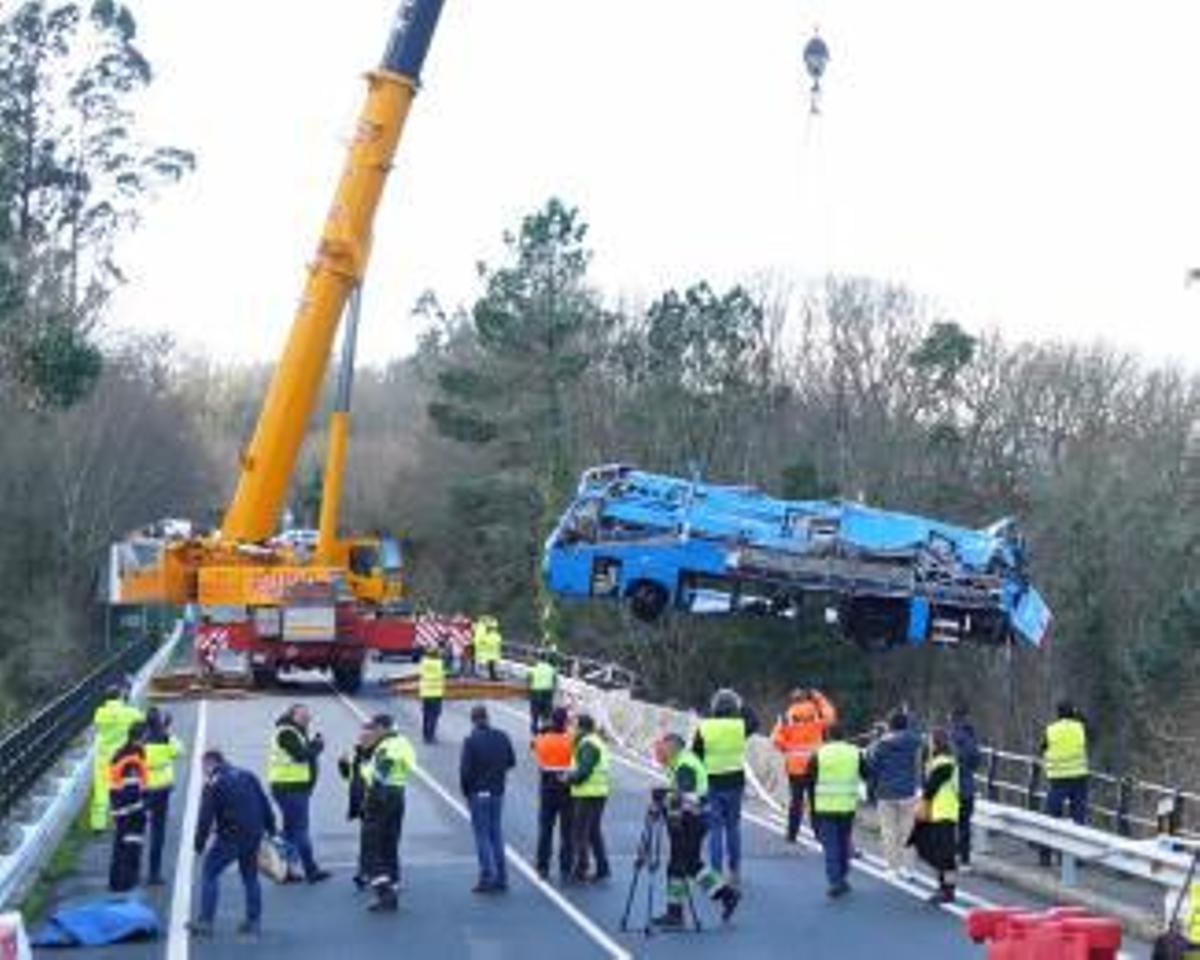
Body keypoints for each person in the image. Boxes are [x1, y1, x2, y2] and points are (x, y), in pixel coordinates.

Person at [653, 733, 742, 929]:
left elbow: (687, 796)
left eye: (664, 747)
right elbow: (681, 795)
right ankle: (727, 894)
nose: (660, 752)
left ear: (674, 747)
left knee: (677, 865)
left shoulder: (685, 765)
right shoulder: (679, 762)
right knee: (691, 863)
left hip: (693, 820)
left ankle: (675, 914)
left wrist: (664, 798)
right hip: (695, 818)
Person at [188, 750, 277, 938]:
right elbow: (264, 802)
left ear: (209, 763)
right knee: (250, 876)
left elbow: (205, 817)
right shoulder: (247, 775)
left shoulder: (213, 782)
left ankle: (206, 922)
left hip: (231, 835)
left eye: (203, 767)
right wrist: (271, 829)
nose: (203, 771)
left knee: (210, 872)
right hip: (253, 833)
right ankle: (253, 921)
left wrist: (199, 844)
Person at [692, 688, 758, 887]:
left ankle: (716, 872)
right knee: (733, 827)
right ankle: (735, 870)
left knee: (715, 829)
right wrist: (742, 702)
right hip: (735, 781)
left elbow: (696, 756)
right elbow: (755, 721)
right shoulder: (739, 727)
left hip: (711, 782)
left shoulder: (704, 728)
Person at [267, 704, 330, 884]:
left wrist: (313, 743)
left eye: (308, 715)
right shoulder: (286, 733)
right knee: (300, 830)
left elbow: (301, 752)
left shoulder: (296, 731)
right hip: (290, 788)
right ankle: (311, 870)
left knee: (290, 831)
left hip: (295, 788)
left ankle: (284, 870)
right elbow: (301, 755)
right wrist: (318, 745)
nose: (307, 718)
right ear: (292, 715)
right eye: (303, 715)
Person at [361, 713, 416, 911]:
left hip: (382, 796)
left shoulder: (387, 746)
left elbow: (382, 771)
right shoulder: (403, 742)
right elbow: (409, 765)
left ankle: (384, 892)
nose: (373, 732)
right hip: (398, 794)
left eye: (375, 728)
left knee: (371, 848)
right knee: (390, 842)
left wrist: (373, 790)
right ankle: (393, 881)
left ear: (383, 728)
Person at [460, 705, 516, 893]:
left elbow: (465, 772)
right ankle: (501, 876)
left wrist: (467, 792)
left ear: (473, 720)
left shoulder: (471, 741)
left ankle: (487, 876)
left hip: (478, 793)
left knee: (482, 835)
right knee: (496, 834)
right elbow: (510, 762)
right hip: (497, 791)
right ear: (487, 717)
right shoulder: (502, 736)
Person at [771, 687, 837, 843]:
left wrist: (788, 748)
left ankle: (792, 834)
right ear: (808, 699)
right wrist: (820, 698)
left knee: (796, 801)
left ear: (792, 700)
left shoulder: (787, 717)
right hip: (814, 764)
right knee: (815, 800)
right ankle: (819, 834)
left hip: (795, 766)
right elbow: (831, 717)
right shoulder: (816, 713)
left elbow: (775, 740)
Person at [810, 723, 868, 898]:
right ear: (843, 735)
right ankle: (843, 877)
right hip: (847, 806)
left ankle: (835, 881)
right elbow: (867, 773)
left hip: (825, 806)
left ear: (827, 737)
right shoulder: (855, 752)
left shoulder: (819, 754)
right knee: (843, 842)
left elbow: (810, 779)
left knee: (831, 846)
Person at [865, 709, 923, 881]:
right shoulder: (915, 741)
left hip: (886, 792)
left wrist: (871, 789)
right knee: (908, 831)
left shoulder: (882, 744)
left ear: (890, 726)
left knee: (889, 831)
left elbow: (873, 767)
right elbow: (919, 761)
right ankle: (909, 868)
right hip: (908, 791)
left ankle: (892, 868)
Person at [910, 727, 960, 904]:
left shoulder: (944, 763)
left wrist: (921, 804)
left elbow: (931, 787)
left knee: (944, 854)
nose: (928, 745)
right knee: (938, 851)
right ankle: (945, 887)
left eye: (930, 742)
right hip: (939, 811)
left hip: (944, 812)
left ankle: (947, 889)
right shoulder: (940, 761)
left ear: (935, 743)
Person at [91, 683, 144, 831]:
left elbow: (97, 727)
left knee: (101, 790)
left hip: (103, 756)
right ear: (120, 696)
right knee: (122, 787)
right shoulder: (129, 712)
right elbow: (140, 720)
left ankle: (98, 825)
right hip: (122, 756)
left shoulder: (100, 713)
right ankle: (123, 819)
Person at [567, 713, 611, 884]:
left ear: (581, 728)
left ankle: (581, 868)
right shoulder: (596, 741)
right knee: (593, 832)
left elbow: (584, 770)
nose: (573, 730)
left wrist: (569, 778)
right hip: (599, 791)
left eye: (575, 726)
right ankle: (602, 867)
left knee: (579, 832)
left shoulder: (588, 744)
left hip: (587, 793)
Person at [143, 707, 184, 886]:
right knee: (157, 832)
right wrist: (168, 731)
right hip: (162, 789)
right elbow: (180, 751)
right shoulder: (166, 739)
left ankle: (130, 871)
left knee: (135, 830)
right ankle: (154, 873)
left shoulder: (141, 739)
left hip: (143, 789)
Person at [532, 706, 574, 880]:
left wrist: (544, 731)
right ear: (565, 722)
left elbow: (533, 745)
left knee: (545, 829)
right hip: (567, 788)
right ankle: (566, 867)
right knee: (567, 831)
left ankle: (543, 866)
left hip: (547, 787)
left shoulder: (542, 740)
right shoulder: (571, 740)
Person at [108, 721, 148, 892]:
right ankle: (126, 882)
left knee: (120, 845)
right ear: (139, 738)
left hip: (119, 808)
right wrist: (140, 809)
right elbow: (131, 788)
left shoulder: (119, 753)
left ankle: (117, 881)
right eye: (145, 737)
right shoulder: (132, 760)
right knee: (130, 845)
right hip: (131, 811)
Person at [338, 724, 378, 891]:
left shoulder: (378, 754)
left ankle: (369, 873)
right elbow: (350, 777)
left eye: (367, 738)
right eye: (362, 737)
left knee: (376, 840)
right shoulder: (357, 754)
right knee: (368, 840)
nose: (363, 740)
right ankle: (367, 872)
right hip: (361, 803)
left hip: (377, 803)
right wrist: (343, 765)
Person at [1041, 701, 1089, 825]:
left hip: (1057, 776)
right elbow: (1093, 735)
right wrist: (1080, 715)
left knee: (1053, 809)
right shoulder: (1080, 727)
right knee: (1078, 811)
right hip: (1078, 775)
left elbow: (1042, 748)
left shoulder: (1051, 729)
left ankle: (1047, 835)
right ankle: (1078, 835)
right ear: (1073, 713)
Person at [949, 703, 981, 869]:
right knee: (964, 824)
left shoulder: (949, 735)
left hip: (949, 788)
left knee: (948, 824)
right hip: (967, 786)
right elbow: (977, 761)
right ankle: (965, 860)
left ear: (952, 717)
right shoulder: (971, 736)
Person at [419, 645, 447, 744]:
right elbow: (444, 674)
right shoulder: (440, 664)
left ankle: (425, 735)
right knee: (434, 716)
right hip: (436, 693)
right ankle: (431, 736)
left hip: (425, 692)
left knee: (426, 715)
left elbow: (421, 673)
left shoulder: (424, 663)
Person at [528, 652, 558, 735]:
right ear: (546, 659)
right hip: (548, 692)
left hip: (536, 692)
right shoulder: (551, 669)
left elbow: (529, 679)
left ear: (538, 659)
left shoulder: (533, 668)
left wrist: (529, 690)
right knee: (546, 714)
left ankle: (534, 732)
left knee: (535, 714)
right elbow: (554, 681)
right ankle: (545, 732)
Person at [473, 615, 502, 681]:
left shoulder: (484, 630)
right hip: (486, 652)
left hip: (490, 652)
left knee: (491, 665)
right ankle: (490, 677)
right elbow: (479, 641)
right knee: (488, 665)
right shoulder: (481, 629)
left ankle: (491, 676)